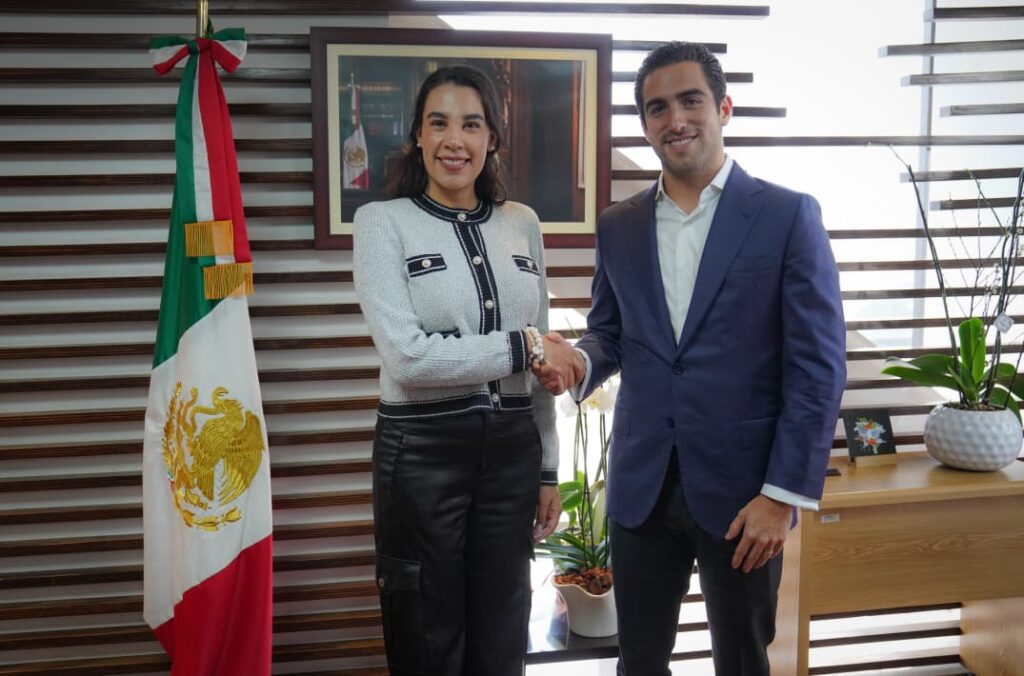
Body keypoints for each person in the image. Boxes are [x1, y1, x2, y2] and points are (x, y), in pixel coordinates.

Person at [537, 42, 847, 675]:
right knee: (638, 662)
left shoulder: (787, 216)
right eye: (657, 108)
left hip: (746, 494)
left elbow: (818, 369)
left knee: (742, 661)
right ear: (645, 124)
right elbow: (610, 333)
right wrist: (578, 363)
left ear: (723, 108)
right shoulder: (619, 225)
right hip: (641, 486)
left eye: (690, 101)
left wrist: (782, 496)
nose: (674, 119)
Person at [352, 64, 577, 676]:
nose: (455, 140)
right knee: (427, 637)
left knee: (503, 635)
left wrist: (547, 468)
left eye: (471, 124)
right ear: (418, 137)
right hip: (421, 455)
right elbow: (408, 358)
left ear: (492, 138)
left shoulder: (522, 223)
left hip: (512, 456)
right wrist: (523, 346)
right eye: (439, 123)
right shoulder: (382, 224)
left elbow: (541, 365)